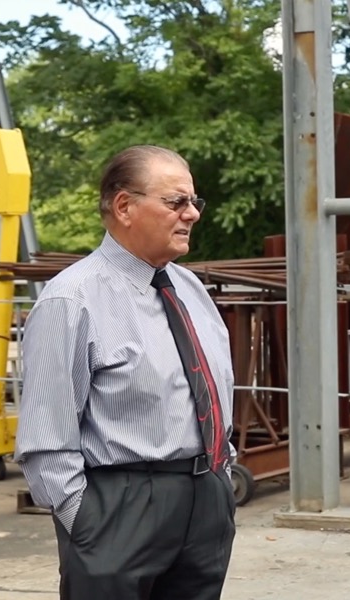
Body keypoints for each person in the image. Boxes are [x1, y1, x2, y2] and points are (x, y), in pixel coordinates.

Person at [15, 145, 237, 600]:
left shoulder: (190, 289)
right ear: (124, 206)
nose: (192, 214)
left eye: (195, 202)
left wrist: (221, 482)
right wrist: (90, 524)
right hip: (120, 506)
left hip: (205, 500)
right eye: (176, 202)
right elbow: (46, 438)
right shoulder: (71, 299)